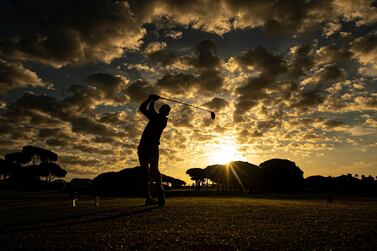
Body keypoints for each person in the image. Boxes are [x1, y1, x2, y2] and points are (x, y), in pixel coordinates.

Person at [138, 94, 170, 206]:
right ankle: (149, 198)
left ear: (165, 113)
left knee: (153, 171)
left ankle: (160, 196)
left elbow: (145, 108)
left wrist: (151, 99)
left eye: (164, 110)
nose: (163, 111)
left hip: (149, 147)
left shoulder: (161, 120)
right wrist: (151, 99)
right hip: (146, 147)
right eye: (163, 109)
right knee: (146, 173)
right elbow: (144, 109)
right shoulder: (157, 117)